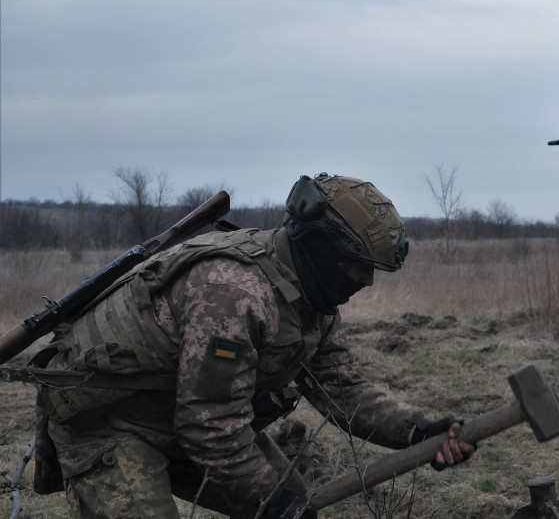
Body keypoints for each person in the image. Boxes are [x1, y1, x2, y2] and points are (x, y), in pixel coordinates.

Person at [31, 173, 475, 518]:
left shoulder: (311, 299)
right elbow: (210, 427)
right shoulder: (234, 294)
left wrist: (418, 430)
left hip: (180, 413)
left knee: (290, 497)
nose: (367, 281)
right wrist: (271, 501)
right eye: (359, 266)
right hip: (111, 422)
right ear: (321, 249)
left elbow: (343, 389)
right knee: (274, 500)